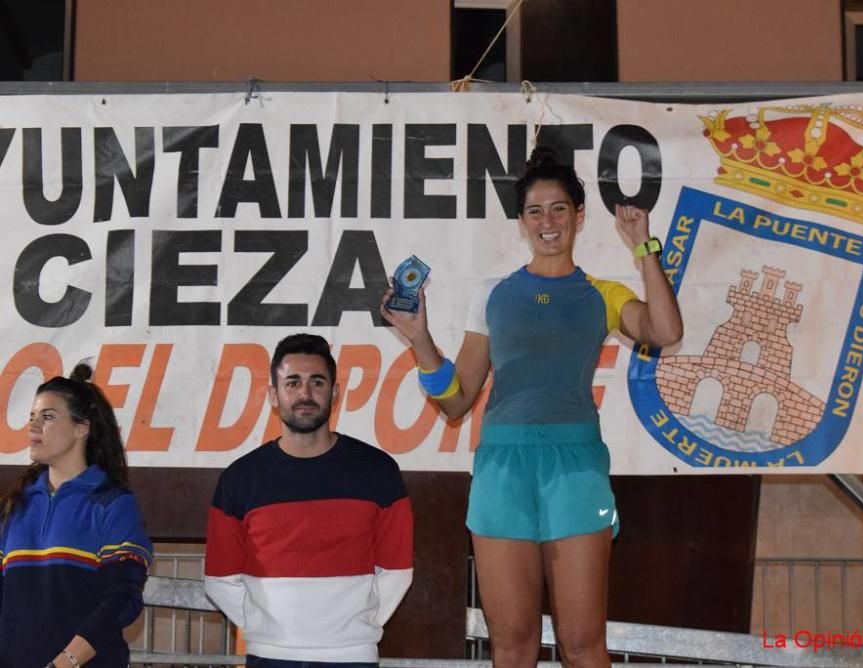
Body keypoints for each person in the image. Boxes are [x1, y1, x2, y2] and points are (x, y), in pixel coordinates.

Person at [381, 146, 683, 668]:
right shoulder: (493, 293)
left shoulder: (601, 292)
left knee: (583, 645)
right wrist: (420, 339)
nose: (548, 221)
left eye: (560, 208)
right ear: (521, 222)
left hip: (576, 467)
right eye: (536, 211)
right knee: (513, 645)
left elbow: (667, 331)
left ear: (579, 215)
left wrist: (643, 247)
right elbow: (456, 400)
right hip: (502, 467)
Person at [204, 333, 413, 668]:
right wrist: (266, 629)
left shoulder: (378, 472)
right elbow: (218, 579)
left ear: (336, 392)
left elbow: (397, 571)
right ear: (273, 395)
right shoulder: (240, 479)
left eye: (317, 382)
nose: (304, 393)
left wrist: (354, 631)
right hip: (269, 657)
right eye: (292, 383)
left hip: (352, 658)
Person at [0, 364, 153, 668]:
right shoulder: (13, 507)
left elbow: (122, 598)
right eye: (31, 417)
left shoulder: (113, 504)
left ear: (82, 428)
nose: (32, 426)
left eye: (47, 417)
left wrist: (67, 662)